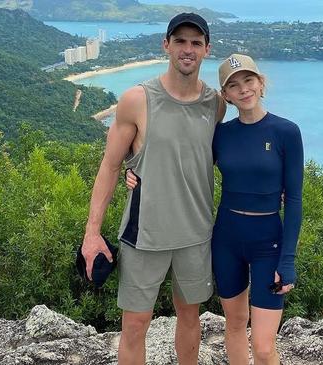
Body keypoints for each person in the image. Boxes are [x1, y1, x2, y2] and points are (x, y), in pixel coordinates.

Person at [127, 54, 304, 364]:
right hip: (226, 241)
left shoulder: (286, 132)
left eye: (249, 81)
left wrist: (287, 259)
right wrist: (136, 168)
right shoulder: (221, 134)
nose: (243, 89)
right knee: (234, 326)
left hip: (268, 243)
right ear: (227, 95)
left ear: (260, 84)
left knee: (264, 348)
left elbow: (294, 200)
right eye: (234, 86)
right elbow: (181, 162)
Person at [81, 13, 226, 365]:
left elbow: (233, 152)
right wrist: (92, 233)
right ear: (166, 45)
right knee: (134, 324)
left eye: (195, 42)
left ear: (207, 49)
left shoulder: (216, 105)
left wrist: (272, 185)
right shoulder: (137, 100)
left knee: (191, 318)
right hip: (144, 234)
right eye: (180, 41)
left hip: (196, 234)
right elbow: (110, 165)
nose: (187, 49)